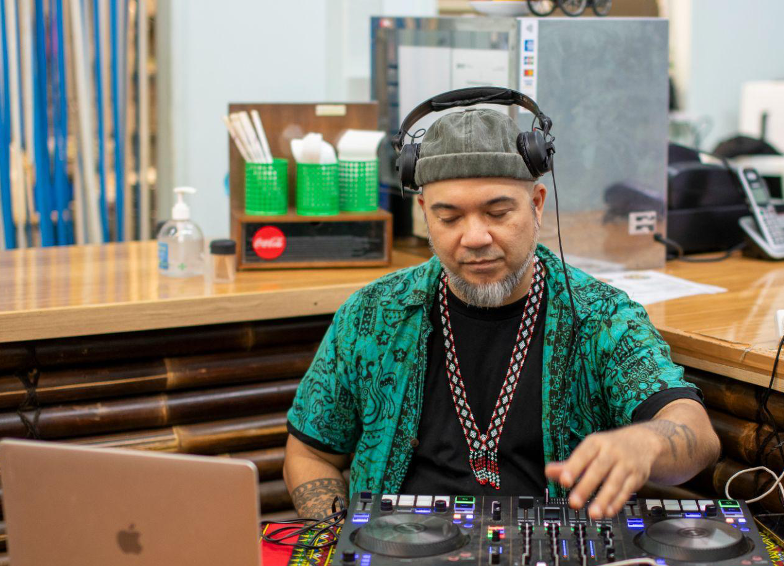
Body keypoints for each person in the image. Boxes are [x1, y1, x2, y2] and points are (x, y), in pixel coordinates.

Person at [283, 105, 719, 521]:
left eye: (497, 212)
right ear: (423, 215)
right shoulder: (372, 315)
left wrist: (646, 442)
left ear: (537, 205)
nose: (474, 237)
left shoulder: (602, 318)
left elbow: (695, 433)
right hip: (396, 560)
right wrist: (339, 539)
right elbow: (311, 453)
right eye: (449, 217)